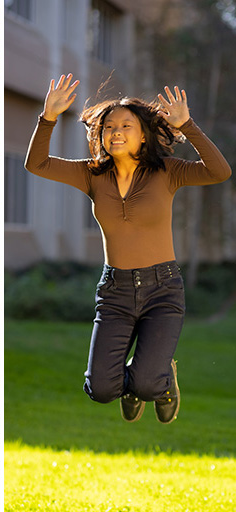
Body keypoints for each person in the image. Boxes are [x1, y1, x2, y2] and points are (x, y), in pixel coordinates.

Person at [25, 74, 231, 424]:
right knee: (101, 390)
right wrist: (48, 117)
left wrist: (188, 125)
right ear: (100, 136)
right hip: (116, 292)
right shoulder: (93, 174)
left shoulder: (168, 171)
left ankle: (154, 384)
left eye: (126, 125)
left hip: (162, 290)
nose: (115, 132)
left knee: (149, 385)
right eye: (108, 127)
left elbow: (219, 171)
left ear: (144, 134)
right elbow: (37, 164)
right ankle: (136, 381)